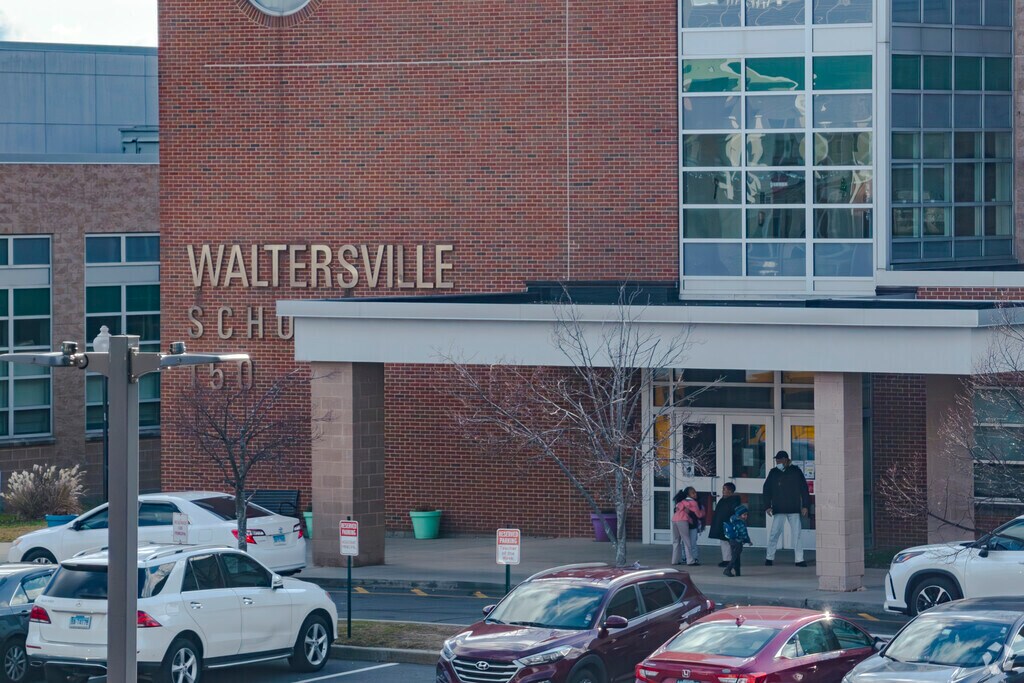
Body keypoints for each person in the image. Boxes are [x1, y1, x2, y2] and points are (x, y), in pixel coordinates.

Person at [763, 450, 810, 567]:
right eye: (776, 460)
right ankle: (769, 557)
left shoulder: (796, 471)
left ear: (785, 459)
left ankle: (799, 559)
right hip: (778, 507)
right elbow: (766, 489)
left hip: (793, 507)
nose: (777, 462)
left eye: (779, 460)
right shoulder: (773, 473)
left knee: (796, 534)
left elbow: (804, 489)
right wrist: (767, 506)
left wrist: (805, 505)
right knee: (774, 533)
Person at [708, 482, 741, 567]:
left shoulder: (734, 501)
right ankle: (726, 559)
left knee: (729, 542)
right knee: (724, 542)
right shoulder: (723, 500)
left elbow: (734, 513)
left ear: (730, 491)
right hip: (722, 524)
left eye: (724, 489)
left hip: (729, 525)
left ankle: (730, 559)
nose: (722, 491)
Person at [671, 486, 704, 566]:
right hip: (683, 521)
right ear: (688, 495)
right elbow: (699, 515)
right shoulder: (693, 502)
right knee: (687, 541)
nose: (695, 494)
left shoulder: (681, 502)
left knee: (676, 541)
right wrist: (703, 511)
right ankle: (690, 561)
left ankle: (674, 560)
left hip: (674, 520)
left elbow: (676, 510)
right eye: (693, 493)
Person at [722, 504, 752, 577]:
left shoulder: (732, 519)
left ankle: (737, 572)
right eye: (744, 515)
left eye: (746, 515)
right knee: (735, 556)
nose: (746, 516)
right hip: (738, 542)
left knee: (736, 556)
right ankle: (728, 569)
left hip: (732, 540)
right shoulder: (740, 522)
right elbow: (743, 533)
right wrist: (748, 541)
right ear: (739, 514)